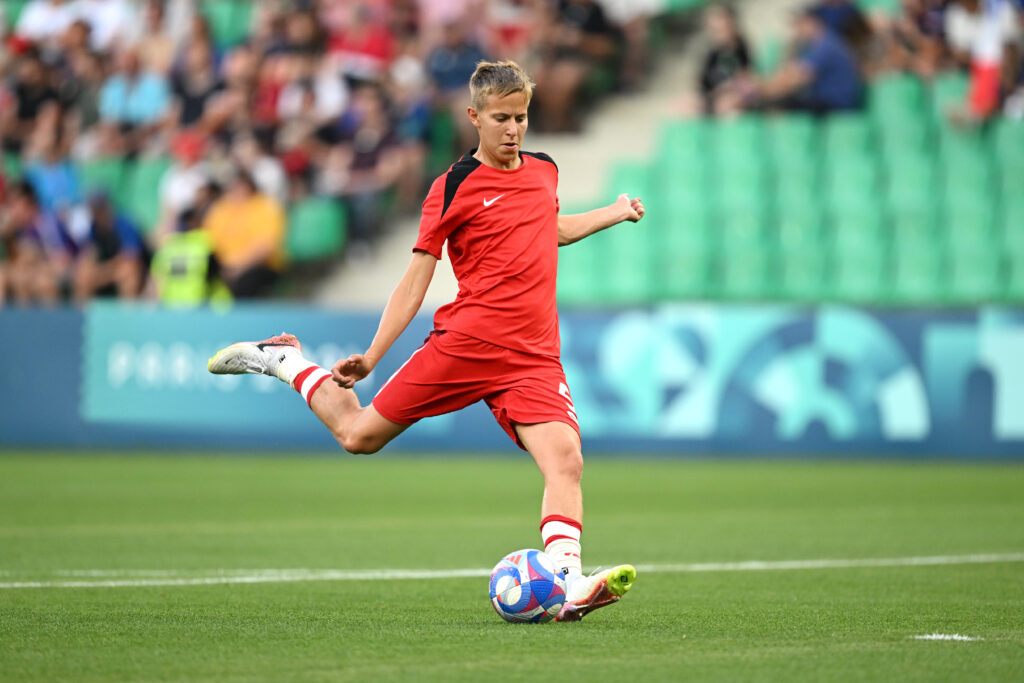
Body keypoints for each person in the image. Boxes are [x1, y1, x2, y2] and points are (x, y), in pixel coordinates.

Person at [208, 60, 645, 622]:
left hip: (534, 355)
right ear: (474, 117)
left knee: (566, 460)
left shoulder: (544, 170)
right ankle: (286, 361)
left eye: (522, 118)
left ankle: (567, 581)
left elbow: (547, 227)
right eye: (502, 118)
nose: (513, 129)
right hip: (467, 344)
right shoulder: (453, 186)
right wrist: (373, 353)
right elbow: (417, 277)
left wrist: (612, 212)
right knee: (358, 435)